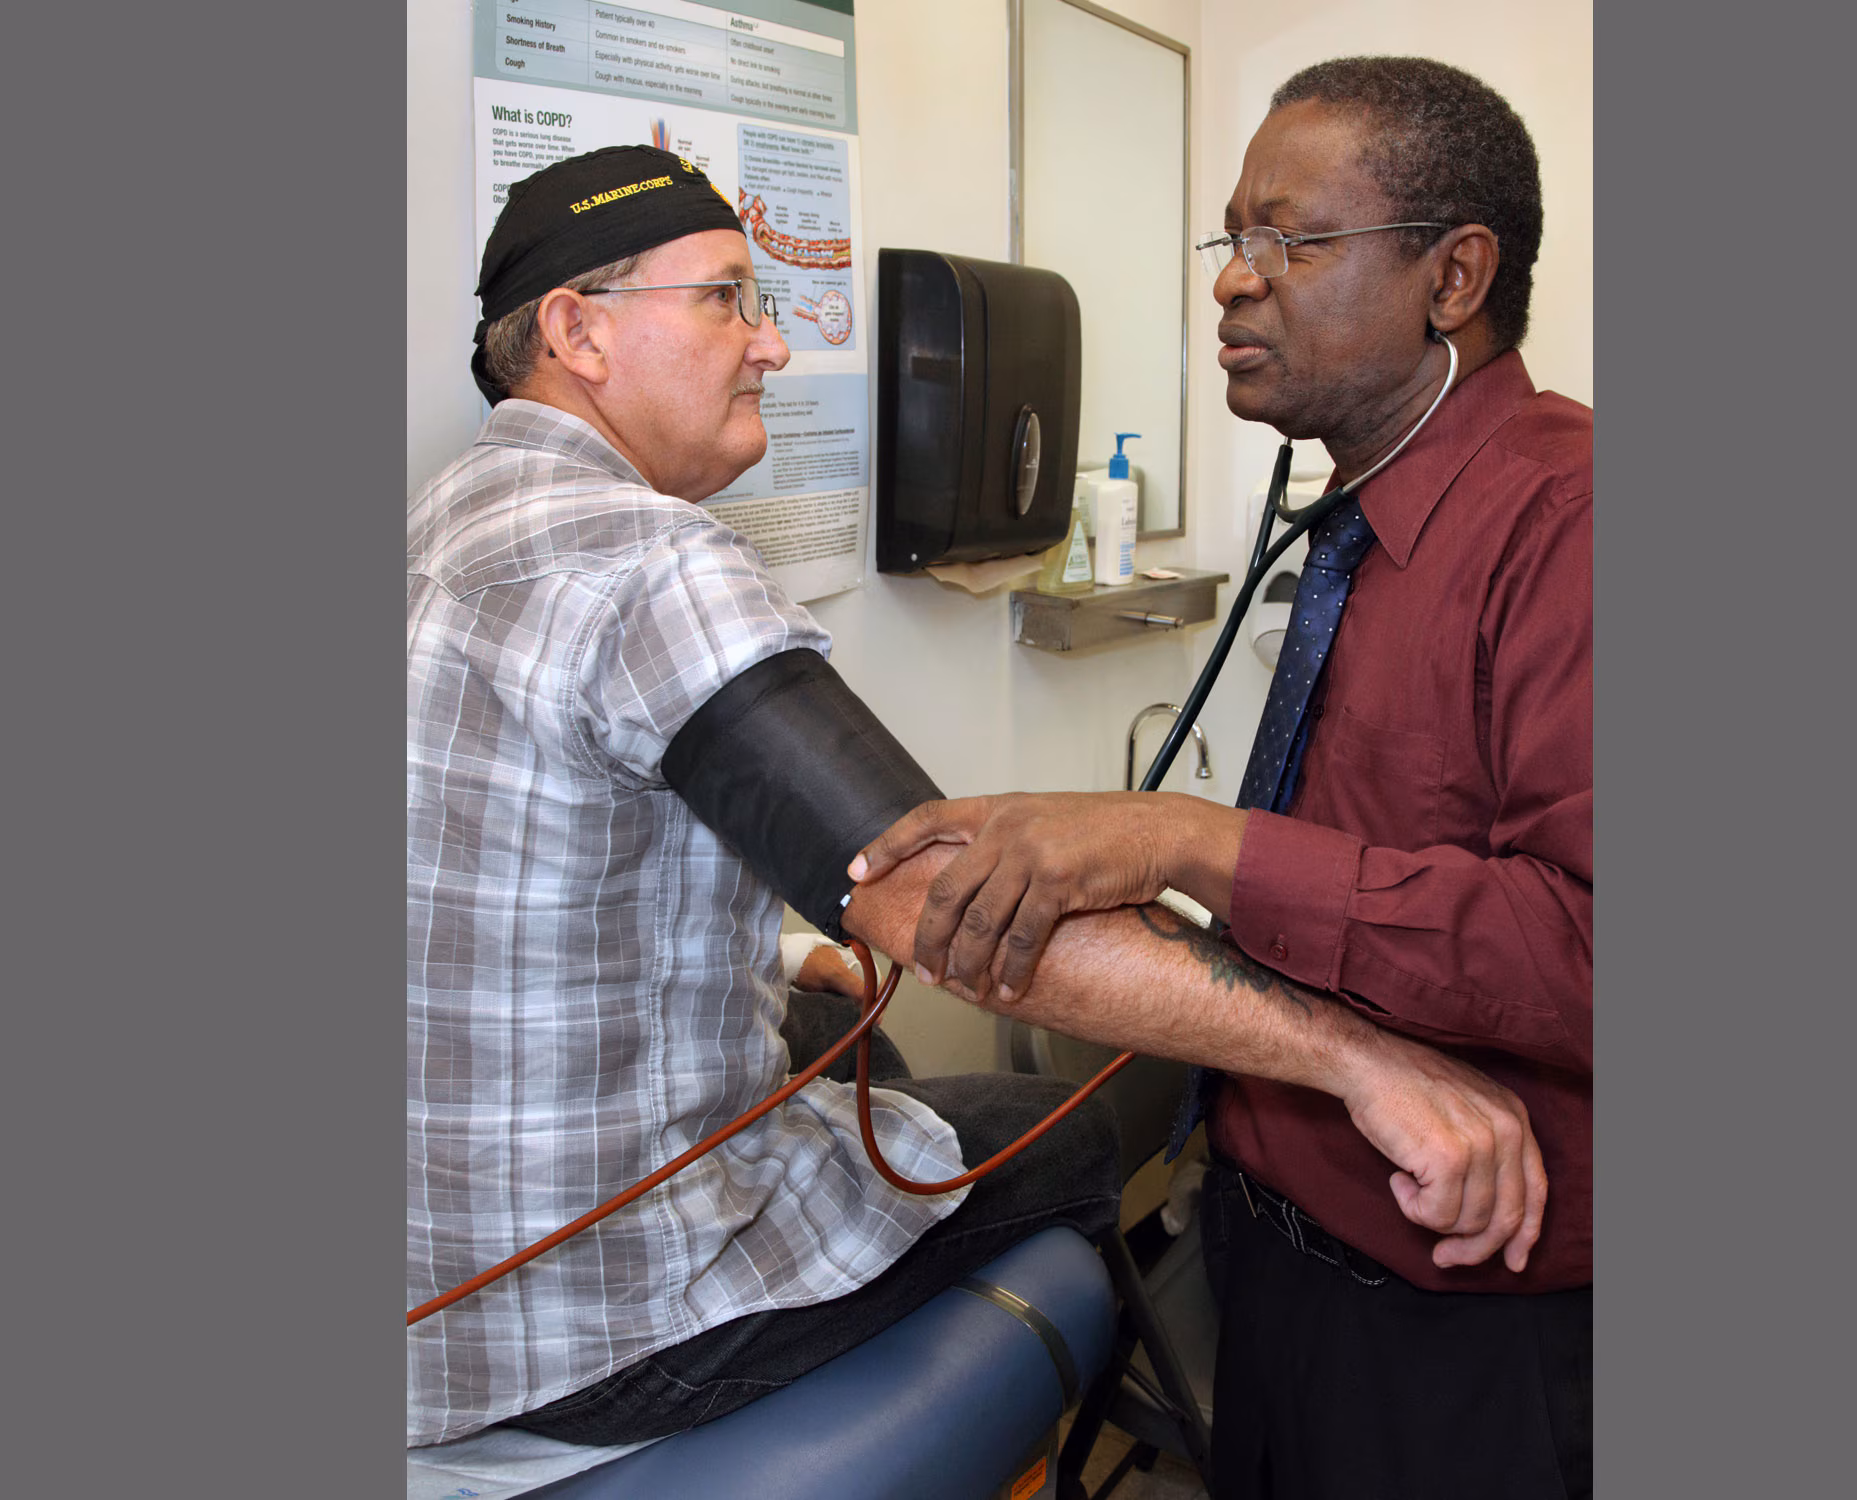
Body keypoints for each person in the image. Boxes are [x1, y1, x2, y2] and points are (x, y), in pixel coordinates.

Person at [852, 57, 1593, 1498]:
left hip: (1465, 1327)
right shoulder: (1358, 517)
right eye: (1230, 241)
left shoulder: (1571, 525)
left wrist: (1198, 846)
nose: (1234, 285)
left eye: (1291, 242)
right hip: (1273, 1247)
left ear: (1455, 277)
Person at [404, 145, 1128, 1451]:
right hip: (586, 1323)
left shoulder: (447, 520)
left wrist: (796, 951)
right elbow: (931, 896)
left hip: (430, 1284)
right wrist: (1341, 1050)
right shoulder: (643, 553)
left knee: (850, 1040)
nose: (772, 347)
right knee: (1072, 1120)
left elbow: (495, 869)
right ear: (579, 330)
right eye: (728, 299)